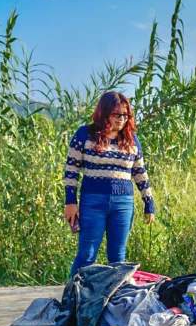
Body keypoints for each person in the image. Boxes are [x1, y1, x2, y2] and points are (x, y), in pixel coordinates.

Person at [64, 91, 155, 278]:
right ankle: (73, 299)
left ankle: (114, 301)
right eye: (117, 114)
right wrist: (70, 201)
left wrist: (149, 203)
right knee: (87, 255)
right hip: (92, 202)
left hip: (123, 204)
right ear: (104, 113)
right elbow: (71, 170)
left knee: (118, 258)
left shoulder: (131, 140)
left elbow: (140, 173)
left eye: (125, 115)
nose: (121, 119)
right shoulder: (85, 134)